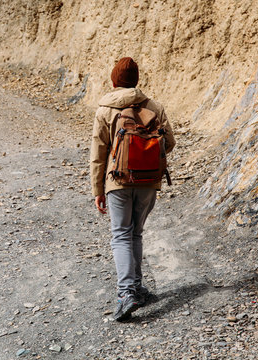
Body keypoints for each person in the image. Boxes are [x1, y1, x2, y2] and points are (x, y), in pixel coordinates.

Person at [90, 57, 176, 321]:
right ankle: (136, 288)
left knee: (120, 235)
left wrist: (98, 190)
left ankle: (126, 293)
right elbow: (169, 142)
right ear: (136, 81)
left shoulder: (105, 110)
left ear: (114, 81)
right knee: (135, 234)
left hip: (118, 181)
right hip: (149, 180)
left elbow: (98, 153)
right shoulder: (155, 106)